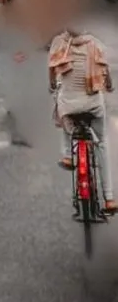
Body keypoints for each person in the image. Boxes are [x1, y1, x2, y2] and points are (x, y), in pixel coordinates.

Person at [48, 27, 116, 213]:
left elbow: (52, 77)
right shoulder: (95, 43)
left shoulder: (59, 43)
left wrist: (53, 85)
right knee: (102, 143)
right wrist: (108, 85)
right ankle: (109, 199)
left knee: (61, 105)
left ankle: (68, 155)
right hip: (93, 107)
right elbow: (107, 78)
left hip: (69, 107)